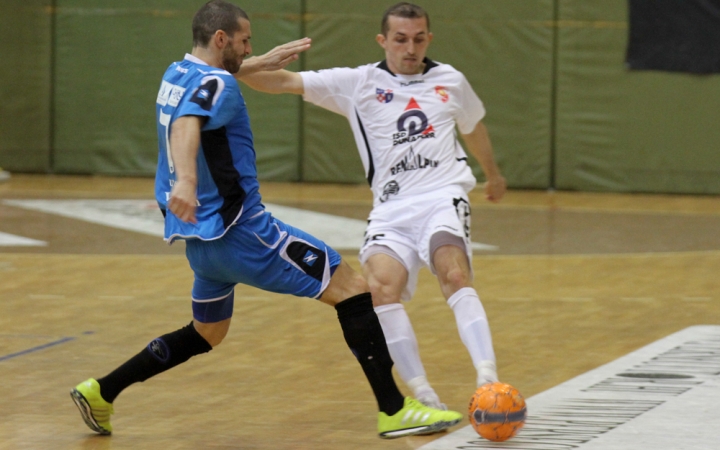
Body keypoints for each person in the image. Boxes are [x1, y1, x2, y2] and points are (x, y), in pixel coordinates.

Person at [69, 0, 463, 440]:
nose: (249, 47)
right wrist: (185, 180)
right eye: (244, 41)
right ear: (221, 40)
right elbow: (187, 125)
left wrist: (256, 62)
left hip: (203, 246)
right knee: (354, 290)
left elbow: (204, 90)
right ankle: (394, 410)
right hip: (244, 233)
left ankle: (102, 391)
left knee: (207, 332)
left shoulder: (176, 74)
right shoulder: (219, 84)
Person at [237, 2, 507, 411]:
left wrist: (494, 173)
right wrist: (248, 64)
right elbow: (279, 82)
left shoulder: (450, 80)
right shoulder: (357, 82)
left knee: (453, 271)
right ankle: (424, 393)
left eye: (418, 39)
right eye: (400, 39)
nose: (410, 48)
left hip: (441, 196)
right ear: (383, 41)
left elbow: (473, 127)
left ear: (428, 39)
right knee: (380, 289)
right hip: (391, 208)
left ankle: (489, 379)